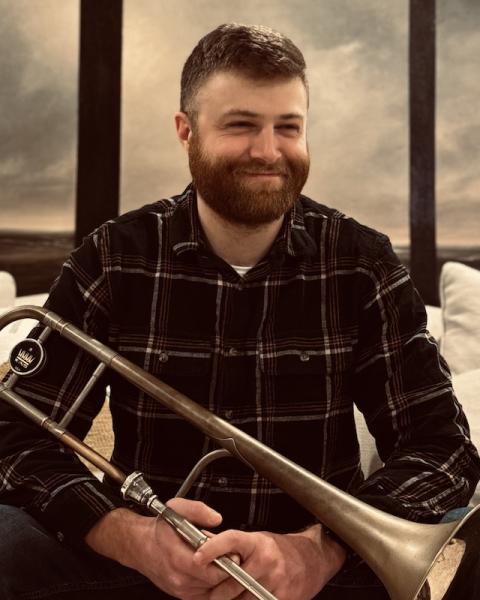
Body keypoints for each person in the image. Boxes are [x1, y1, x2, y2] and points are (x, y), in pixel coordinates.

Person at [0, 23, 479, 600]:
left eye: (288, 127)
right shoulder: (112, 255)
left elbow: (441, 445)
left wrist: (317, 550)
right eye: (241, 125)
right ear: (186, 131)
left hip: (321, 569)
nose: (268, 150)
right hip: (146, 564)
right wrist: (128, 536)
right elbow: (17, 438)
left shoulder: (362, 261)